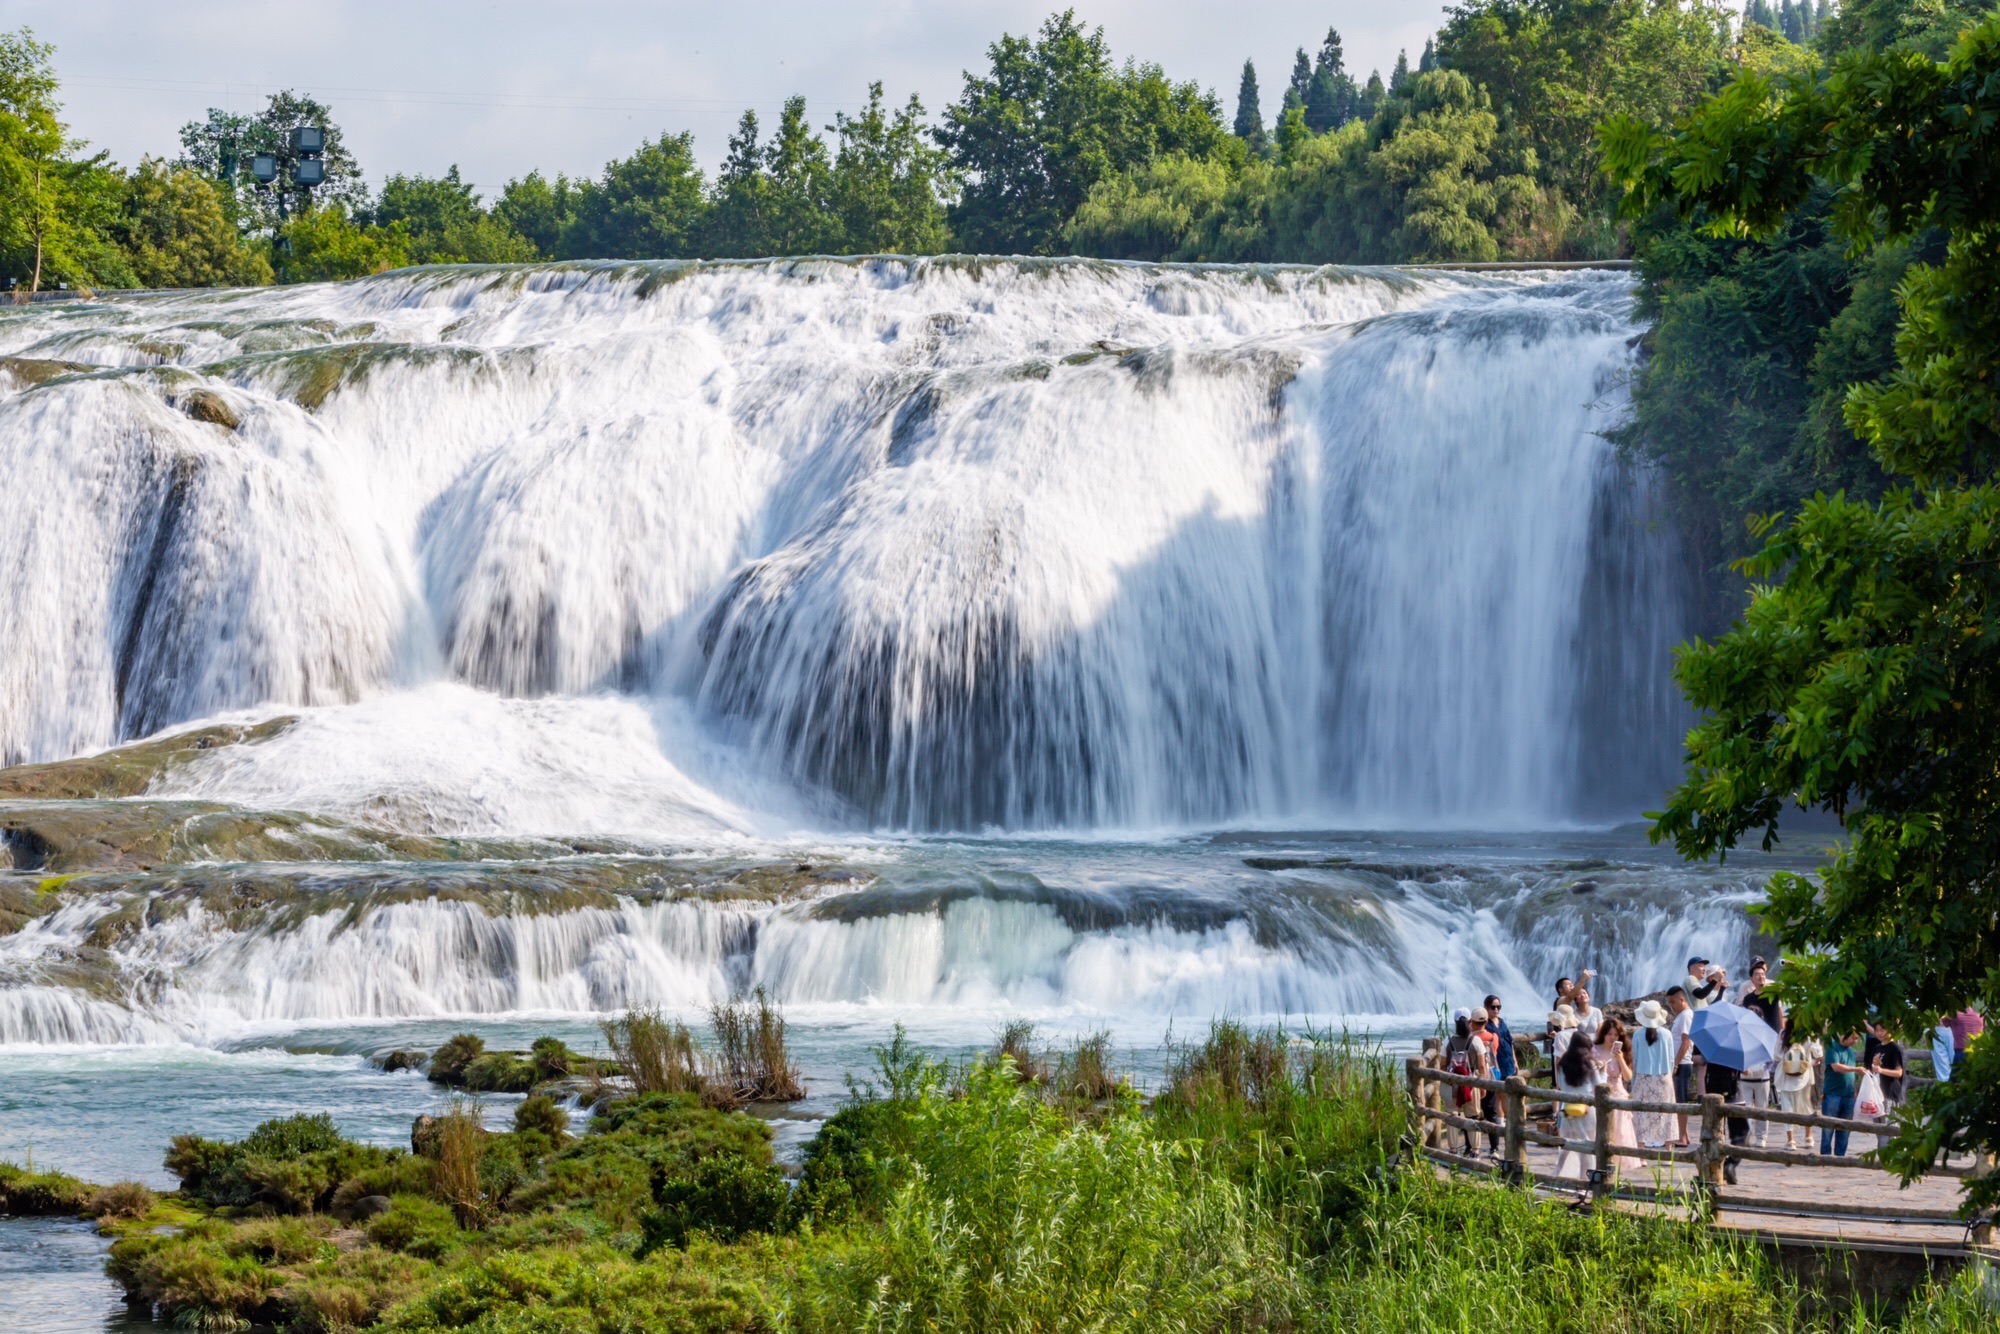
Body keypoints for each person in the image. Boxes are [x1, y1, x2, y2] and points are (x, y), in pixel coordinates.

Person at [1735, 958, 1783, 1147]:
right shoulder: (1748, 998)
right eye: (1757, 975)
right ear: (1751, 979)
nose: (1761, 977)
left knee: (1762, 1094)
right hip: (1751, 1040)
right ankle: (1746, 1134)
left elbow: (1780, 1011)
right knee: (1747, 1094)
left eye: (1763, 974)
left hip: (1768, 1041)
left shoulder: (1773, 994)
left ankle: (1761, 1136)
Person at [1591, 1016, 1637, 1179]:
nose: (1612, 1038)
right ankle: (1602, 1163)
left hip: (1618, 1092)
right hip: (1598, 1091)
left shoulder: (1623, 1051)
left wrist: (1620, 1059)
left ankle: (1617, 1167)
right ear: (1603, 1034)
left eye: (1616, 1035)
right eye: (1609, 1034)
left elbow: (1628, 1077)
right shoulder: (1594, 1050)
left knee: (1620, 1133)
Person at [1552, 1026, 1598, 1184]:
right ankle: (1585, 1178)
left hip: (1568, 1108)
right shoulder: (1589, 1063)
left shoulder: (1563, 1063)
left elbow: (1561, 1086)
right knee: (1587, 1145)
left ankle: (1557, 1174)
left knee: (1567, 1145)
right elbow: (1599, 1085)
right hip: (1586, 1108)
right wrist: (1603, 1070)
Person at [1442, 1008, 1491, 1156]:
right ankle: (1475, 1150)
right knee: (1473, 1115)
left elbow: (1442, 1064)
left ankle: (1453, 1149)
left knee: (1452, 1115)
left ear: (1455, 1022)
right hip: (1471, 1082)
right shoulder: (1475, 1041)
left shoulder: (1447, 1040)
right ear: (1470, 1022)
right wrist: (1483, 1086)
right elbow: (1482, 1066)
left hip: (1452, 1084)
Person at [1630, 999, 1676, 1148]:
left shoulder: (1637, 1035)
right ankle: (1668, 1151)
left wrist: (1633, 1081)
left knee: (1641, 1113)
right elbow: (1670, 1059)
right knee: (1667, 1113)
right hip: (1663, 1076)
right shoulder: (1667, 1034)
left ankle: (1641, 1151)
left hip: (1643, 1077)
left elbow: (1635, 1060)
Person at [1703, 1043, 1749, 1186]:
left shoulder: (1712, 1045)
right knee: (1742, 1135)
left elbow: (1703, 1062)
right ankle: (1731, 1164)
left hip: (1714, 1097)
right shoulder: (1737, 1046)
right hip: (1735, 1097)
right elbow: (1746, 1071)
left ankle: (1715, 1169)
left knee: (1714, 1136)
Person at [1862, 1019, 1907, 1153]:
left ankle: (1888, 1156)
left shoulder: (1895, 1048)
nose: (1880, 1033)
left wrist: (1881, 1070)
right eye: (1877, 1030)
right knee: (1878, 1127)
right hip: (1876, 1093)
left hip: (1890, 1093)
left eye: (1883, 1030)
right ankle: (1884, 1154)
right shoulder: (1876, 1048)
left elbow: (1899, 1072)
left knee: (1889, 1128)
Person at [1773, 1029, 1817, 1153]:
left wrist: (1787, 1059)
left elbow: (1776, 1055)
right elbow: (1818, 1052)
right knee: (1806, 1105)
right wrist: (1813, 1062)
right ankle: (1808, 1137)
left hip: (1786, 1075)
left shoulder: (1784, 1033)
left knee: (1787, 1107)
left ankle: (1791, 1140)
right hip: (1804, 1074)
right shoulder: (1809, 1033)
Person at [1820, 1030, 1863, 1157]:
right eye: (1853, 1038)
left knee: (1845, 1129)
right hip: (1833, 1093)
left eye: (1856, 1039)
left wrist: (1854, 1091)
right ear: (1844, 1035)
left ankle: (1840, 1155)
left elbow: (1850, 1075)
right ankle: (1826, 1155)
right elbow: (1836, 1067)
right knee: (1828, 1127)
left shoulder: (1850, 1050)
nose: (1855, 1042)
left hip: (1848, 1094)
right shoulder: (1833, 1048)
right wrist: (1857, 1069)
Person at [1469, 1006, 1503, 1155]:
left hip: (1475, 1077)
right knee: (1492, 1113)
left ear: (1471, 1022)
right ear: (1486, 1021)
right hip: (1492, 1076)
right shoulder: (1494, 1037)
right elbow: (1495, 1051)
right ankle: (1494, 1148)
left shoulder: (1470, 1039)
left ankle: (1472, 1147)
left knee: (1472, 1113)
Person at [1667, 986, 1697, 1148]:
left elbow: (1686, 1042)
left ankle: (1682, 1136)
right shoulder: (1682, 1016)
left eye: (1673, 1002)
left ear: (1682, 999)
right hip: (1682, 1062)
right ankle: (1684, 1134)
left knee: (1680, 1101)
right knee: (1679, 1099)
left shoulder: (1685, 1016)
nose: (1671, 1006)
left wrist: (1676, 1063)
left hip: (1683, 1063)